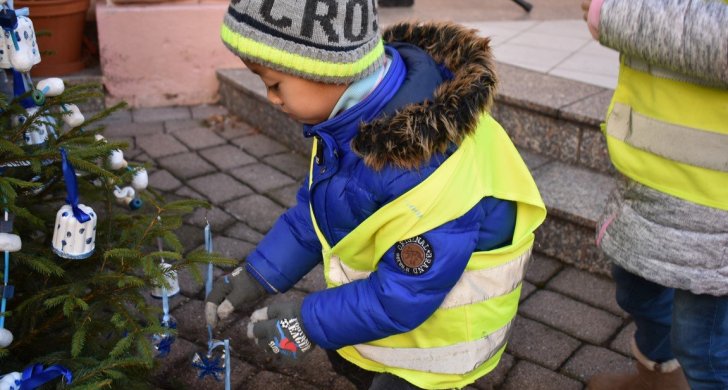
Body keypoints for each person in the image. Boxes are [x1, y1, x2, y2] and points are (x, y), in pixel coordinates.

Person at [205, 1, 546, 389]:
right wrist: (259, 273)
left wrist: (309, 322)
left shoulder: (418, 168)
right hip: (396, 308)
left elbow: (404, 294)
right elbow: (317, 215)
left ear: (326, 67)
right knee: (356, 363)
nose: (271, 99)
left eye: (274, 83)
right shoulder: (348, 119)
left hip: (439, 343)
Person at [581, 0, 728, 389]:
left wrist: (615, 13)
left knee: (705, 345)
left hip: (717, 204)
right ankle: (658, 380)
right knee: (639, 292)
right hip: (652, 182)